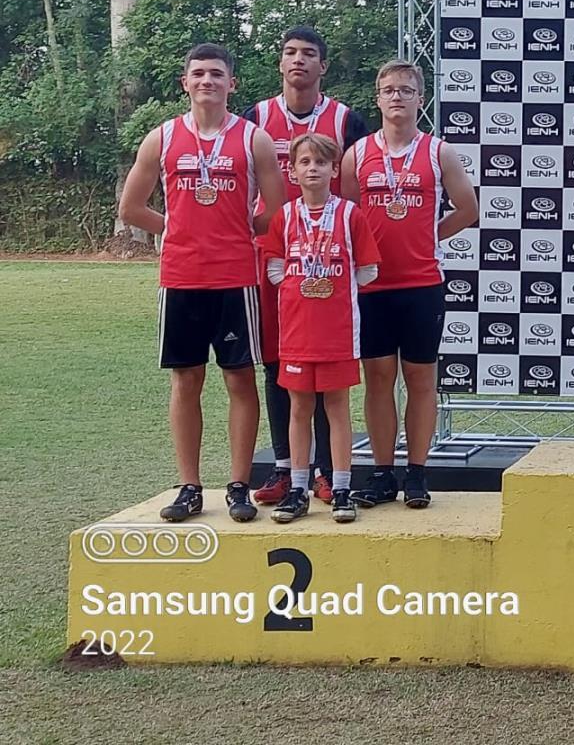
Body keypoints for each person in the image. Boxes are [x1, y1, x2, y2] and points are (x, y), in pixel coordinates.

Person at [119, 42, 286, 523]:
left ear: (232, 83)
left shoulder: (252, 140)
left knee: (239, 378)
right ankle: (189, 486)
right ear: (185, 83)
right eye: (199, 74)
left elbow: (273, 213)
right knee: (186, 379)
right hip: (181, 278)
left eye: (217, 74)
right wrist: (175, 230)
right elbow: (131, 208)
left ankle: (237, 485)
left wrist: (234, 233)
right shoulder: (163, 138)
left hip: (236, 278)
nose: (207, 81)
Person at [342, 60, 479, 509]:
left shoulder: (439, 152)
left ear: (421, 98)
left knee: (420, 378)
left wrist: (427, 236)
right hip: (373, 285)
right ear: (378, 99)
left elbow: (467, 209)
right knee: (378, 379)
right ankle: (382, 473)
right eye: (388, 90)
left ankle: (417, 473)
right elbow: (346, 216)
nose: (396, 96)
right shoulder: (357, 154)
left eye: (406, 90)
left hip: (422, 284)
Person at [245, 27, 368, 508]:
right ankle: (284, 469)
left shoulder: (344, 119)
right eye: (290, 53)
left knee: (328, 372)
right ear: (280, 63)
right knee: (279, 362)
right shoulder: (256, 118)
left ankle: (325, 473)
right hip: (276, 259)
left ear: (323, 66)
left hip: (331, 264)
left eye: (309, 54)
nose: (299, 61)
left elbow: (356, 190)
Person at [258, 133, 381, 522]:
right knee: (298, 408)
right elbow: (276, 268)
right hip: (296, 333)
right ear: (293, 171)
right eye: (305, 162)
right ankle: (297, 489)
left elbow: (367, 270)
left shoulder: (349, 215)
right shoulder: (285, 216)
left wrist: (328, 288)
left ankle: (341, 487)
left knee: (337, 408)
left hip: (338, 333)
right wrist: (304, 288)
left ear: (333, 169)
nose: (313, 168)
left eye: (321, 162)